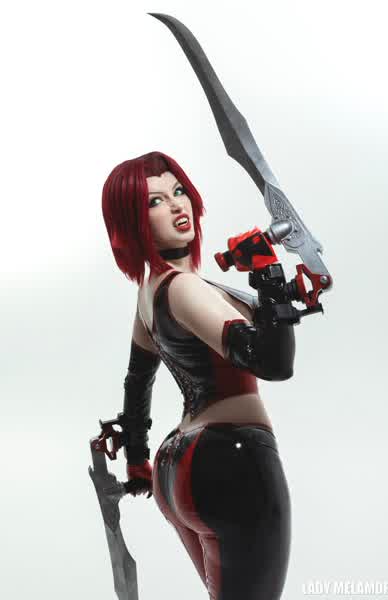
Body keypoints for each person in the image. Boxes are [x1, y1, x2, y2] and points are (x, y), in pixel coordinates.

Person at [102, 150, 295, 600]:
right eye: (154, 201)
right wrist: (268, 273)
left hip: (177, 471)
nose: (176, 205)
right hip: (231, 459)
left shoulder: (150, 293)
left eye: (178, 191)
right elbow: (273, 363)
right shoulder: (185, 289)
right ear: (131, 223)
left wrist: (137, 460)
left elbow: (137, 381)